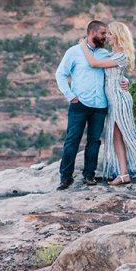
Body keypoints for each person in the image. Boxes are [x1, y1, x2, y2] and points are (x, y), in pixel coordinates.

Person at [78, 21, 136, 185]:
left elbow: (94, 63)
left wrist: (83, 45)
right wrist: (124, 79)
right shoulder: (111, 55)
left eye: (110, 34)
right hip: (112, 101)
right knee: (116, 138)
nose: (107, 37)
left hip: (120, 100)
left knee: (129, 134)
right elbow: (114, 75)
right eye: (107, 34)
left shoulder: (121, 56)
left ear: (118, 36)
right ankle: (123, 174)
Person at [54, 20, 123, 190]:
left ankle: (89, 175)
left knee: (94, 141)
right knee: (72, 140)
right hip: (79, 104)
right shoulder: (74, 52)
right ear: (92, 33)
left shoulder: (104, 54)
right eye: (102, 33)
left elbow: (115, 72)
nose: (105, 37)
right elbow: (60, 74)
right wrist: (70, 95)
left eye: (106, 34)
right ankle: (65, 177)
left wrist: (125, 82)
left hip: (100, 105)